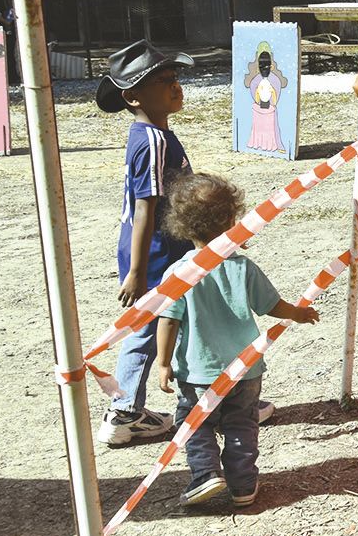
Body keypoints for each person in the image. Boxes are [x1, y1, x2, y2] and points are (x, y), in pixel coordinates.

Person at [155, 175, 321, 508]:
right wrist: (299, 313)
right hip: (245, 369)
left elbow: (168, 320)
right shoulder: (242, 267)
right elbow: (271, 305)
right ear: (233, 220)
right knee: (241, 424)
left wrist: (162, 362)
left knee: (195, 423)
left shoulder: (178, 272)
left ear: (181, 225)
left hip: (199, 372)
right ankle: (243, 485)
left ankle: (205, 474)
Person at [95, 40, 195, 447]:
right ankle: (123, 412)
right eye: (163, 80)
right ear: (132, 97)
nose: (175, 85)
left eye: (175, 77)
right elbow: (144, 208)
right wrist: (138, 272)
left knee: (184, 321)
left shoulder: (157, 134)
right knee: (148, 329)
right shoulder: (152, 140)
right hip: (156, 255)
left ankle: (209, 399)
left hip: (168, 249)